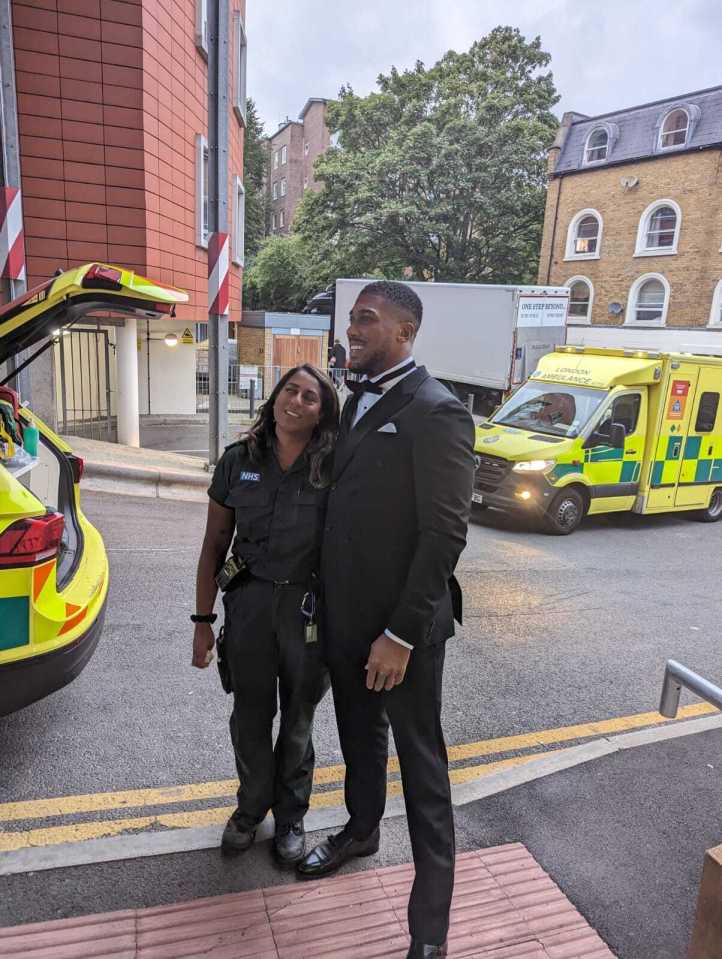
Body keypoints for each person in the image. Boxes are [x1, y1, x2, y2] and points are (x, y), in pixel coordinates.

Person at [297, 281, 475, 959]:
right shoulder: (355, 400)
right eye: (352, 319)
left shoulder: (438, 412)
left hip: (403, 637)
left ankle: (429, 935)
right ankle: (360, 830)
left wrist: (399, 634)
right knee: (359, 738)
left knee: (424, 775)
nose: (352, 329)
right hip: (345, 621)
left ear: (405, 331)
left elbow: (443, 536)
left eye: (366, 320)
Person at [191, 365, 339, 867]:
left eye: (310, 397)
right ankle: (250, 809)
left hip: (308, 612)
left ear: (323, 414)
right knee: (250, 719)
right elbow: (214, 546)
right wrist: (202, 621)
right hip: (250, 606)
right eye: (289, 391)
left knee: (298, 722)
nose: (295, 401)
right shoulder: (238, 461)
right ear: (274, 397)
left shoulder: (333, 465)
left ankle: (292, 816)